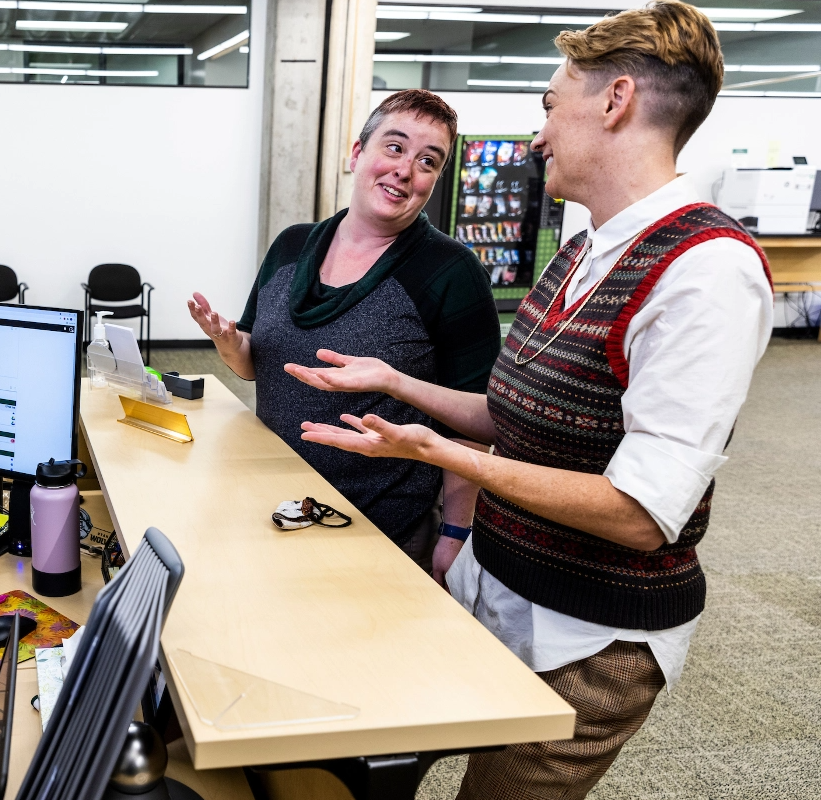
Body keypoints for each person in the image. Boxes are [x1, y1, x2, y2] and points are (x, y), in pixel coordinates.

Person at [287, 3, 771, 797]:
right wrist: (398, 384)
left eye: (550, 105)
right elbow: (514, 420)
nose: (539, 134)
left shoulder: (706, 272)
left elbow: (642, 513)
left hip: (587, 643)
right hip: (496, 587)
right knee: (363, 757)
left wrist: (434, 453)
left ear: (615, 101)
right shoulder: (585, 247)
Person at [188, 89, 499, 571]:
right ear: (358, 153)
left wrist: (455, 534)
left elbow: (473, 424)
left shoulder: (451, 273)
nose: (405, 169)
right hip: (273, 503)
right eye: (394, 147)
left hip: (382, 530)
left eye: (428, 161)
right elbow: (253, 366)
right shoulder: (291, 246)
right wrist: (230, 344)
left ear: (435, 181)